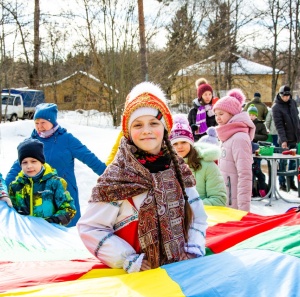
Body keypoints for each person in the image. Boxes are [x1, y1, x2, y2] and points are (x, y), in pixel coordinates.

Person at [77, 82, 208, 273]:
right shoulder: (118, 177)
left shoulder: (178, 171)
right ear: (128, 131)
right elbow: (91, 228)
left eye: (154, 123)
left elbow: (198, 217)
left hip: (180, 272)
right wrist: (127, 259)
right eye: (138, 125)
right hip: (139, 280)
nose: (146, 130)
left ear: (165, 128)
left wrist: (194, 247)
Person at [5, 103, 106, 227]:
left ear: (52, 121)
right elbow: (16, 167)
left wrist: (110, 176)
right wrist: (3, 189)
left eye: (43, 123)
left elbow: (90, 159)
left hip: (63, 192)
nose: (39, 127)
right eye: (36, 123)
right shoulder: (33, 142)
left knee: (66, 231)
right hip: (38, 194)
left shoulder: (67, 139)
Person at [8, 138, 76, 226]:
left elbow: (69, 208)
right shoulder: (15, 187)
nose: (29, 166)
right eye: (25, 162)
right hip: (24, 235)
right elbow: (10, 212)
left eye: (33, 161)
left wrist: (51, 222)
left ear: (41, 162)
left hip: (49, 234)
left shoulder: (55, 183)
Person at [170, 114, 226, 206]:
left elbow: (219, 199)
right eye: (175, 144)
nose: (179, 146)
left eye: (184, 142)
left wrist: (189, 207)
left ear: (191, 143)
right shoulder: (165, 166)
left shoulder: (207, 165)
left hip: (203, 217)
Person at [213, 89, 255, 211]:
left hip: (235, 205)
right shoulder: (227, 135)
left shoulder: (239, 138)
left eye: (221, 114)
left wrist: (243, 210)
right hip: (226, 200)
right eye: (216, 114)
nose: (218, 118)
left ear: (232, 114)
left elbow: (245, 175)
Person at [272, 85, 300, 192]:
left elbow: (297, 119)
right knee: (283, 162)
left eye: (288, 96)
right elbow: (279, 125)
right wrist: (283, 140)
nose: (286, 98)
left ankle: (291, 182)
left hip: (295, 137)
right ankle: (282, 183)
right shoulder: (276, 107)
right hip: (285, 139)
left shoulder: (292, 103)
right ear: (280, 95)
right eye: (284, 96)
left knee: (293, 162)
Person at [247, 105, 269, 197]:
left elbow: (265, 136)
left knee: (257, 171)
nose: (252, 117)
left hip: (257, 150)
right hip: (248, 151)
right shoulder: (246, 124)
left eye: (253, 115)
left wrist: (254, 136)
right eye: (250, 115)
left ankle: (262, 189)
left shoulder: (260, 124)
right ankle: (251, 191)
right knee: (250, 173)